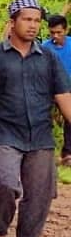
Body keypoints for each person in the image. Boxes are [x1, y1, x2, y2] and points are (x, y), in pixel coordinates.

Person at [0, 0, 71, 237]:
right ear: (12, 22)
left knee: (40, 193)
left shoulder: (49, 58)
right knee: (3, 182)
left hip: (40, 135)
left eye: (37, 20)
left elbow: (63, 95)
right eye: (27, 19)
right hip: (5, 132)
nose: (32, 25)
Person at [41, 14, 71, 167]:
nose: (55, 36)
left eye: (59, 32)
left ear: (66, 30)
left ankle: (68, 153)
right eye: (52, 33)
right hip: (49, 89)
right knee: (42, 117)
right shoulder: (45, 47)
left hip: (68, 89)